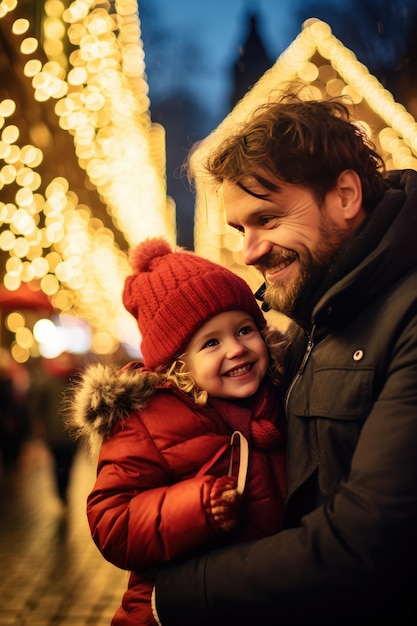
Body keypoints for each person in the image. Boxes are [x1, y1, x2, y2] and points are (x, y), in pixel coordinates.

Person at [151, 92, 417, 625]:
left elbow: (365, 539)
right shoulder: (315, 317)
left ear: (344, 195)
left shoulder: (405, 312)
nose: (249, 250)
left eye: (267, 219)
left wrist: (182, 593)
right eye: (240, 229)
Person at [67, 237, 288, 625]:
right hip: (172, 607)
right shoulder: (148, 421)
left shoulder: (279, 400)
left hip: (258, 595)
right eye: (211, 342)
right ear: (178, 366)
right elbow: (112, 521)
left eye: (244, 330)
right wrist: (197, 506)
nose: (235, 349)